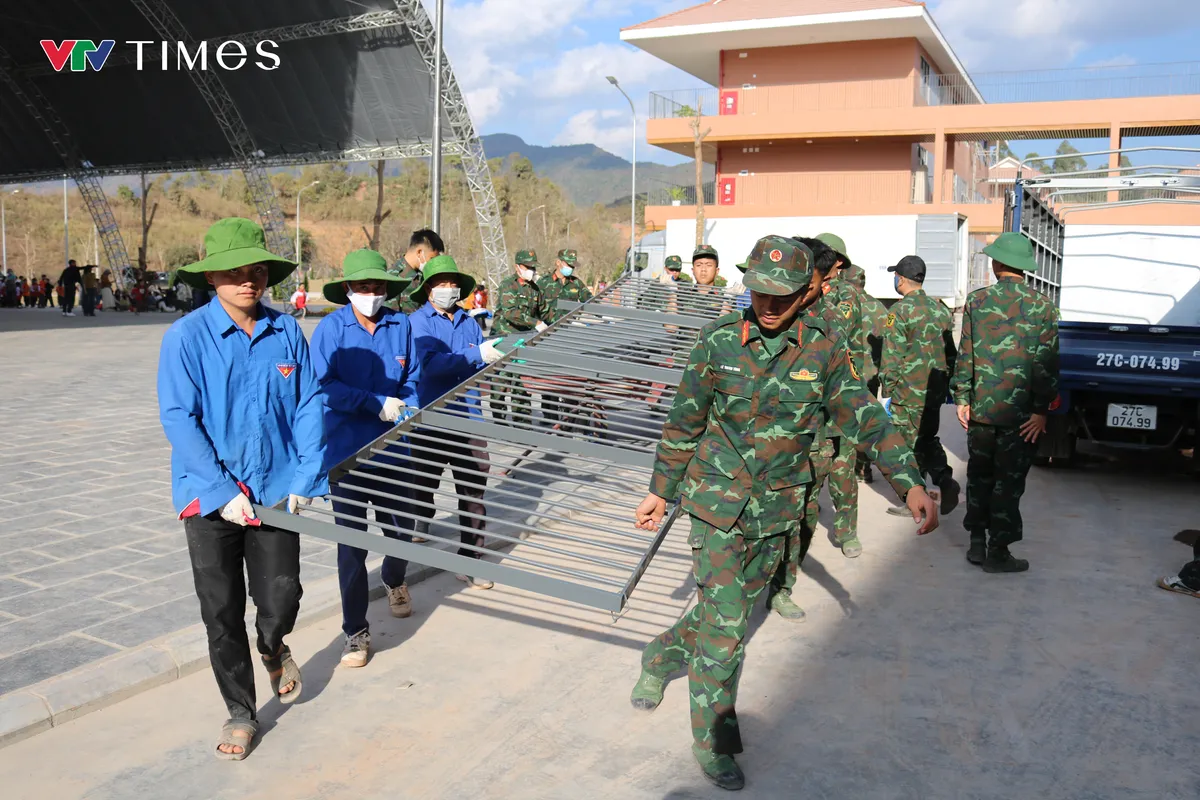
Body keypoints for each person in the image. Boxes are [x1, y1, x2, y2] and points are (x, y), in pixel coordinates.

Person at [630, 235, 938, 791]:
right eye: (759, 294)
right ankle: (716, 743)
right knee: (726, 633)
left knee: (725, 617)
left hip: (778, 509)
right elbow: (683, 423)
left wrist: (908, 481)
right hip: (717, 506)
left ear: (808, 291)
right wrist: (661, 488)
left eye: (783, 297)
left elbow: (865, 416)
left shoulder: (822, 350)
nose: (769, 307)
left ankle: (658, 655)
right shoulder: (717, 342)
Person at [157, 217, 327, 760]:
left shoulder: (286, 333)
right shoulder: (185, 337)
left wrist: (305, 477)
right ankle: (240, 712)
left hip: (275, 489)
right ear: (211, 279)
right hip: (209, 497)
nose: (247, 281)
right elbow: (179, 416)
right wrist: (217, 486)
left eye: (255, 271)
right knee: (221, 608)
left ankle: (273, 647)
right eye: (234, 273)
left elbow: (308, 405)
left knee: (282, 594)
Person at [312, 249, 422, 668]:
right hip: (348, 454)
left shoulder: (401, 326)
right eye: (363, 287)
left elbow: (412, 377)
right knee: (352, 547)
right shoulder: (330, 330)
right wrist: (374, 403)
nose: (371, 294)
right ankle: (355, 631)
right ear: (348, 290)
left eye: (377, 287)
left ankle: (394, 578)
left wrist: (405, 405)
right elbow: (323, 385)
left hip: (395, 450)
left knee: (400, 530)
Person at [950, 232, 1059, 572]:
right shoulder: (1043, 306)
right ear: (1023, 268)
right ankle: (999, 552)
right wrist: (1041, 411)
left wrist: (961, 398)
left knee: (979, 477)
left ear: (997, 264)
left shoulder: (977, 301)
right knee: (1008, 483)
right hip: (1021, 417)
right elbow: (1045, 364)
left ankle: (977, 545)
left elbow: (965, 354)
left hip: (982, 412)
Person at [407, 254, 503, 588]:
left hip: (469, 418)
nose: (448, 288)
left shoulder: (468, 322)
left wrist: (492, 359)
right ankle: (422, 519)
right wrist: (477, 355)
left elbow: (478, 365)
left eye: (452, 283)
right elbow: (429, 365)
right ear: (428, 287)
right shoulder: (417, 323)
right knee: (424, 480)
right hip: (431, 416)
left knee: (474, 490)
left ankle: (471, 559)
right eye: (441, 282)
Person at [880, 255, 961, 517]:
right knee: (925, 439)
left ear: (901, 279)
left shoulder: (899, 312)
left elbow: (892, 357)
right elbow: (951, 354)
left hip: (907, 391)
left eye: (896, 276)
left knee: (908, 445)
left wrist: (887, 391)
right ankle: (941, 484)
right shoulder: (940, 310)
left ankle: (923, 494)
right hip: (933, 392)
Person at [489, 249, 550, 425]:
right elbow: (510, 313)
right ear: (517, 267)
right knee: (500, 384)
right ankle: (500, 423)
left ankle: (521, 422)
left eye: (533, 267)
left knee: (522, 383)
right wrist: (535, 323)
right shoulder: (508, 285)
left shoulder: (535, 289)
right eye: (528, 267)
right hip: (503, 340)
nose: (532, 270)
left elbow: (545, 312)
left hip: (523, 342)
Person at [844, 265, 888, 483]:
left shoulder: (842, 304)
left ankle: (842, 470)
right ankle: (863, 469)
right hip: (870, 374)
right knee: (866, 421)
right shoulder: (879, 307)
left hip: (845, 374)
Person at [389, 229, 444, 314]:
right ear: (419, 253)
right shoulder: (393, 278)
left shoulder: (424, 277)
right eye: (432, 259)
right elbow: (392, 320)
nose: (433, 264)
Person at [538, 248, 594, 324]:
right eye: (568, 265)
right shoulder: (543, 282)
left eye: (572, 266)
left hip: (568, 328)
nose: (571, 268)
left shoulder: (576, 283)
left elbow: (590, 301)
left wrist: (605, 315)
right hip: (547, 329)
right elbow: (534, 305)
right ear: (558, 262)